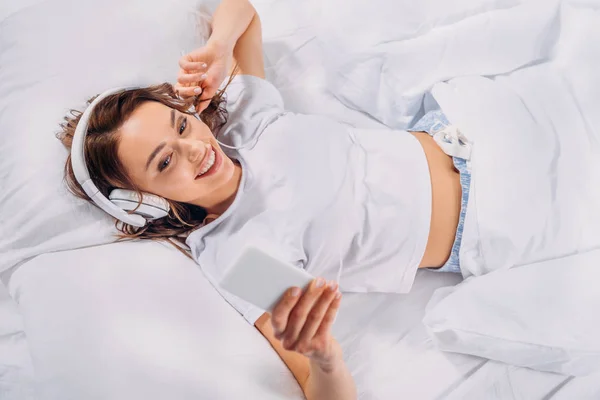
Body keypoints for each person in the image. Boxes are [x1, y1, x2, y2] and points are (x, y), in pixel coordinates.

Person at [57, 0, 472, 398]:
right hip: (486, 221)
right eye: (165, 162)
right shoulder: (239, 255)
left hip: (466, 126)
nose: (197, 149)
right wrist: (325, 359)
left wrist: (218, 49)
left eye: (181, 126)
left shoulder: (239, 122)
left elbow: (242, 10)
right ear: (145, 203)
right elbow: (321, 390)